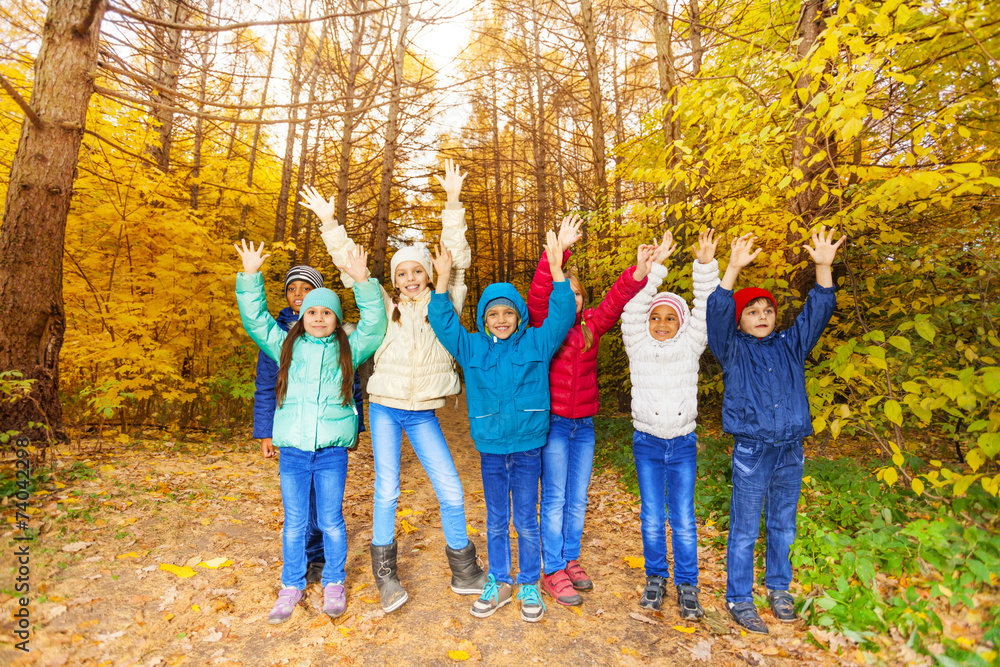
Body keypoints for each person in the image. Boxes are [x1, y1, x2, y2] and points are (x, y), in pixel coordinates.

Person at [300, 159, 485, 613]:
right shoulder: (383, 305)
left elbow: (456, 261)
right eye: (401, 272)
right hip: (384, 406)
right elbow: (351, 271)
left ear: (426, 273)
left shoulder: (445, 301)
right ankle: (385, 575)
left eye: (416, 271)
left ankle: (464, 568)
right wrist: (329, 224)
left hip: (422, 411)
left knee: (451, 489)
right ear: (395, 278)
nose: (408, 278)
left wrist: (454, 204)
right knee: (387, 489)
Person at [233, 239, 387, 624]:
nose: (318, 318)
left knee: (331, 520)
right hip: (295, 452)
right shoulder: (286, 345)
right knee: (295, 521)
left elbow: (375, 324)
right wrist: (250, 276)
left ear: (336, 319)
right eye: (312, 312)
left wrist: (362, 280)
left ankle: (334, 581)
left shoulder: (348, 349)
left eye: (326, 313)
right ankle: (291, 585)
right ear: (302, 317)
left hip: (332, 450)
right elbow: (255, 321)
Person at [428, 231, 576, 623]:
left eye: (508, 312)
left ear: (520, 315)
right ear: (483, 318)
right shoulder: (472, 347)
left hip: (528, 446)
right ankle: (499, 580)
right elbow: (442, 323)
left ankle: (528, 581)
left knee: (526, 518)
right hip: (491, 447)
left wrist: (557, 270)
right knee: (496, 518)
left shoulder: (537, 344)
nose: (501, 320)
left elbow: (563, 315)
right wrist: (441, 280)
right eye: (493, 314)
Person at [706, 227, 845, 634]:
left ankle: (779, 588)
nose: (762, 317)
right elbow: (717, 311)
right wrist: (732, 268)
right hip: (752, 451)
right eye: (752, 312)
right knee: (746, 526)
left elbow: (818, 312)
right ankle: (739, 597)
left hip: (790, 449)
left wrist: (823, 268)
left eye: (767, 310)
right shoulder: (731, 349)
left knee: (783, 523)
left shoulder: (790, 345)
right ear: (741, 321)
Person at [528, 215, 649, 606]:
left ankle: (570, 557)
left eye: (579, 294)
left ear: (585, 300)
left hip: (585, 425)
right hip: (556, 425)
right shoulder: (545, 324)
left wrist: (639, 272)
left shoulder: (593, 326)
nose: (574, 299)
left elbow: (616, 299)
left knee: (578, 497)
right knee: (556, 498)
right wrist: (557, 255)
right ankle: (552, 569)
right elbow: (538, 292)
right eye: (568, 292)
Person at [620, 228, 720, 618]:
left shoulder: (690, 344)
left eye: (670, 318)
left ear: (681, 323)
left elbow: (707, 305)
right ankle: (656, 577)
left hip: (681, 443)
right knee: (650, 515)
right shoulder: (638, 344)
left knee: (682, 517)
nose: (661, 323)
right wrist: (654, 267)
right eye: (656, 317)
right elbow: (631, 309)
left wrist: (706, 265)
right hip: (646, 441)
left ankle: (688, 584)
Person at [252, 266, 365, 583]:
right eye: (292, 289)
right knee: (299, 511)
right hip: (294, 435)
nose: (298, 295)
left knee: (326, 509)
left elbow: (351, 386)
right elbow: (265, 384)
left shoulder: (341, 343)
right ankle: (303, 564)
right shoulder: (279, 336)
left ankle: (320, 561)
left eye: (306, 289)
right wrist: (264, 431)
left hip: (329, 438)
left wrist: (355, 429)